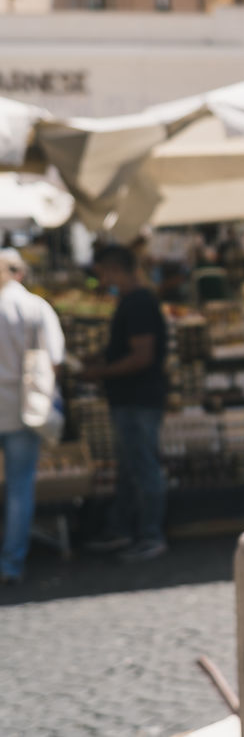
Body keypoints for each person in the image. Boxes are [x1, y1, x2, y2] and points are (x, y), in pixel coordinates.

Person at [81, 244, 170, 562]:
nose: (101, 281)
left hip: (138, 399)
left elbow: (141, 356)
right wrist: (99, 360)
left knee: (144, 468)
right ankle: (125, 530)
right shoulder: (133, 302)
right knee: (132, 467)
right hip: (132, 399)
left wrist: (101, 371)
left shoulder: (138, 303)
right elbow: (130, 351)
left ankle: (150, 535)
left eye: (102, 274)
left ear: (114, 270)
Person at [0, 249, 64, 584]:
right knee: (19, 486)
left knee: (18, 485)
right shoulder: (34, 307)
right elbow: (54, 358)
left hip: (14, 404)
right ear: (19, 273)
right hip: (23, 407)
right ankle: (11, 562)